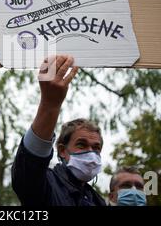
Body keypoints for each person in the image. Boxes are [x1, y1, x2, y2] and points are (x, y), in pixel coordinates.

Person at [12, 55, 106, 206]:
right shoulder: (46, 184)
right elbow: (28, 169)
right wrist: (50, 104)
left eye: (96, 148)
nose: (91, 153)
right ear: (62, 151)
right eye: (81, 145)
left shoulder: (98, 201)